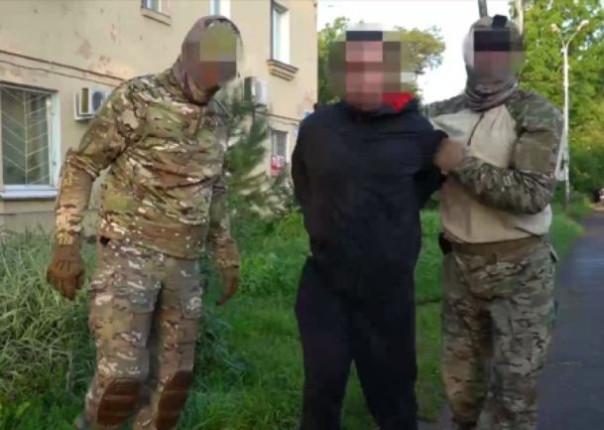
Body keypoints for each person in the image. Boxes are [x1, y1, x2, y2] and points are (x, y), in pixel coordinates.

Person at [45, 16, 243, 430]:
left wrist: (226, 253)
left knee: (172, 389)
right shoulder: (138, 98)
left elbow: (216, 189)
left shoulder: (219, 119)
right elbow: (83, 166)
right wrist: (66, 242)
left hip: (185, 264)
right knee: (120, 384)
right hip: (128, 257)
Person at [292, 24, 448, 430]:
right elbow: (304, 185)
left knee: (394, 399)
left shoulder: (417, 131)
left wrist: (387, 237)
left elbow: (422, 189)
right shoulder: (316, 128)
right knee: (322, 392)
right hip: (326, 285)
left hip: (388, 294)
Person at [424, 15, 563, 430]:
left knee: (513, 399)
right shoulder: (440, 113)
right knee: (462, 395)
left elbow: (531, 194)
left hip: (522, 274)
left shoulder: (536, 112)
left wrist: (461, 163)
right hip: (460, 270)